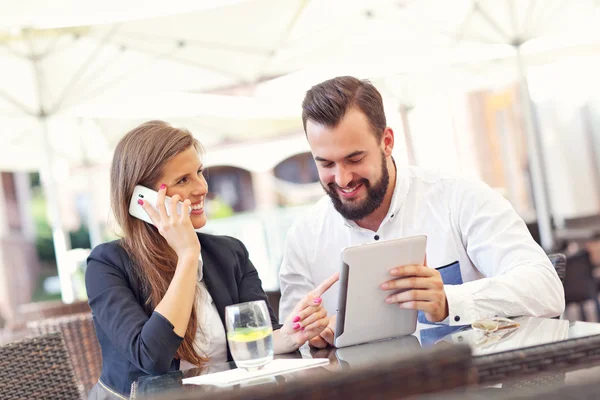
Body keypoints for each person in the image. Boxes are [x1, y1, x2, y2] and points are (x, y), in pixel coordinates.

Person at [278, 76, 565, 349]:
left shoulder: (457, 197)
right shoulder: (304, 239)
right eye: (326, 164)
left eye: (355, 159)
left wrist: (449, 302)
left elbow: (546, 289)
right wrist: (310, 339)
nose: (342, 179)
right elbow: (292, 346)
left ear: (387, 142)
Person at [86, 121, 337, 399]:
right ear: (142, 200)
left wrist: (290, 335)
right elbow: (152, 358)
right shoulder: (107, 264)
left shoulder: (230, 253)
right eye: (183, 180)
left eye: (199, 173)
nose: (202, 187)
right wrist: (187, 257)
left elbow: (255, 339)